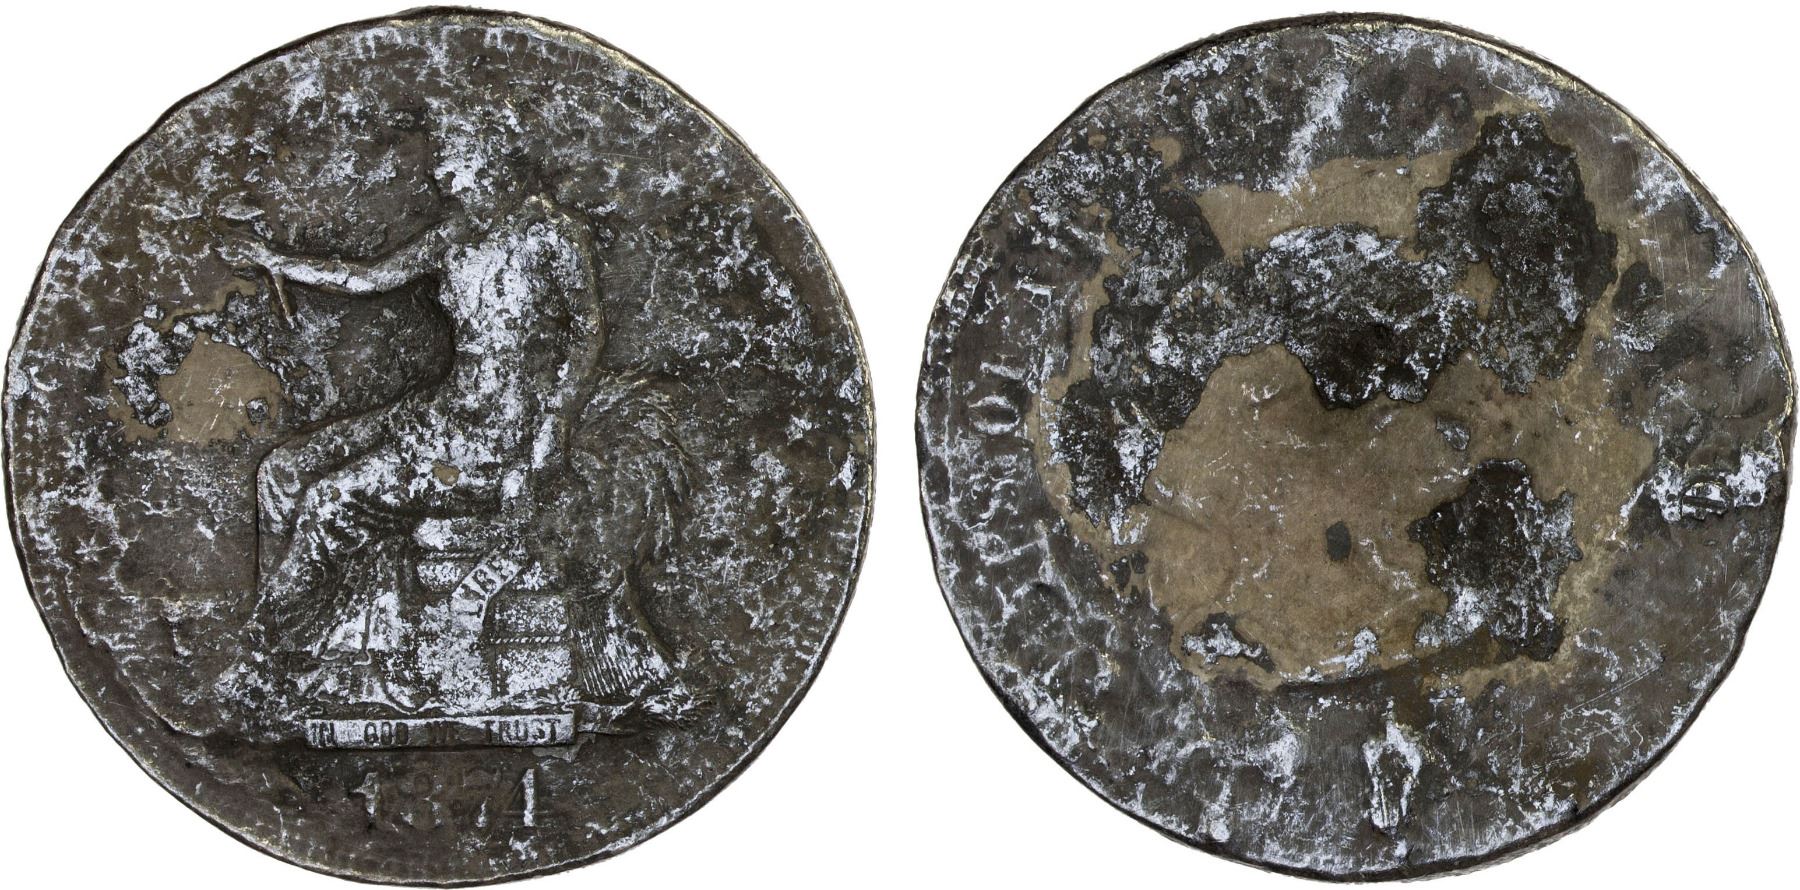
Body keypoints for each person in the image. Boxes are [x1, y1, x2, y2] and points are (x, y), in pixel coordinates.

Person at [217, 110, 605, 656]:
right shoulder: (456, 234)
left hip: (499, 434)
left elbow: (587, 330)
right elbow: (368, 277)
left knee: (329, 501)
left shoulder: (550, 235)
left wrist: (554, 421)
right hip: (441, 414)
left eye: (452, 161)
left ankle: (274, 650)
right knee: (282, 471)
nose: (441, 177)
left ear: (491, 163)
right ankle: (312, 644)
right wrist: (273, 259)